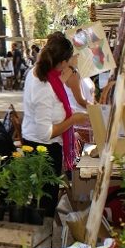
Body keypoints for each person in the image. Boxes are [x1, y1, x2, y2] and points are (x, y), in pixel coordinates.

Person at [21, 32, 89, 216]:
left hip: (38, 142)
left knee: (43, 200)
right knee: (45, 204)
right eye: (68, 62)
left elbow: (56, 89)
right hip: (42, 147)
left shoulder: (42, 74)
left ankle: (43, 228)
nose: (69, 66)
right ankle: (43, 231)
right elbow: (46, 133)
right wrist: (73, 119)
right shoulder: (43, 86)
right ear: (61, 62)